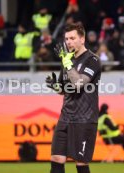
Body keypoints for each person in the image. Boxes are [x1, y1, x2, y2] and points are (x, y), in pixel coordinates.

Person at [45, 23, 101, 173]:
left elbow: (78, 83)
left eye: (72, 38)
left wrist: (67, 62)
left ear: (82, 39)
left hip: (84, 119)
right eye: (66, 39)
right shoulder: (66, 60)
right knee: (56, 159)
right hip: (65, 117)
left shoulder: (92, 60)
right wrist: (56, 87)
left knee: (80, 163)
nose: (68, 42)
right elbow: (66, 89)